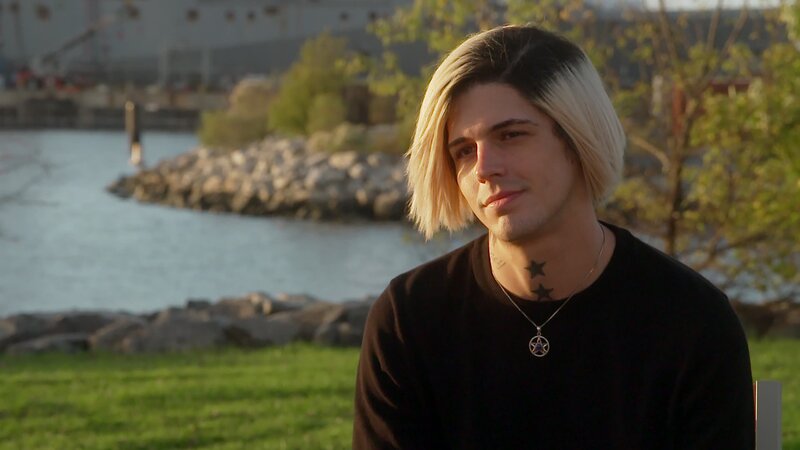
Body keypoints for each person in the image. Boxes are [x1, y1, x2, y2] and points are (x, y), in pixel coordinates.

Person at [353, 25, 755, 449]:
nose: (484, 168)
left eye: (511, 135)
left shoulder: (692, 322)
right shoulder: (408, 321)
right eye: (464, 151)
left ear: (579, 137)